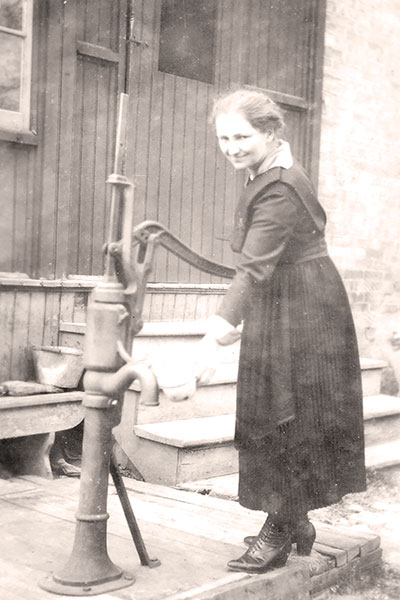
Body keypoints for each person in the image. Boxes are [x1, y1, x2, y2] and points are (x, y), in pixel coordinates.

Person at [194, 89, 366, 574]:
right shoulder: (266, 171)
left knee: (289, 416)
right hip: (283, 300)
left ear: (270, 133)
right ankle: (295, 521)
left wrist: (214, 335)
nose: (231, 148)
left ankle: (281, 526)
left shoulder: (281, 188)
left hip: (306, 312)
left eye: (242, 137)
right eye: (224, 138)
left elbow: (252, 268)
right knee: (273, 409)